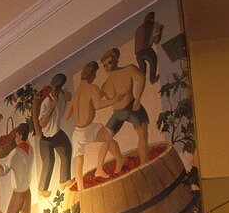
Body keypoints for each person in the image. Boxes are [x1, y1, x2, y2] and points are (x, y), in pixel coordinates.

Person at [65, 60, 119, 193]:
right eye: (95, 74)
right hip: (88, 129)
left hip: (78, 132)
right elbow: (98, 105)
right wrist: (114, 100)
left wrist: (72, 100)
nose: (95, 77)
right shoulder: (92, 87)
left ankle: (82, 189)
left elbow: (67, 116)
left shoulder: (77, 93)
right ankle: (100, 168)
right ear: (91, 75)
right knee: (108, 136)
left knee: (79, 164)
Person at [100, 47, 150, 174]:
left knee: (142, 134)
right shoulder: (105, 85)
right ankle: (119, 159)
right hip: (117, 113)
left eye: (109, 63)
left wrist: (138, 99)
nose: (107, 67)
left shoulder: (128, 70)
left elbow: (141, 79)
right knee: (105, 138)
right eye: (104, 65)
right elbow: (96, 101)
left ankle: (144, 164)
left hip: (132, 107)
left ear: (116, 60)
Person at [31, 72, 74, 197]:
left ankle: (64, 180)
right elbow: (42, 123)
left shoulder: (62, 95)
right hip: (46, 138)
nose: (55, 90)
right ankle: (42, 189)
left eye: (58, 88)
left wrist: (66, 96)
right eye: (54, 87)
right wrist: (52, 107)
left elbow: (70, 98)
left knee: (66, 151)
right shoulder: (46, 102)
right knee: (49, 162)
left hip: (57, 132)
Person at [134, 11, 164, 85]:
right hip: (147, 50)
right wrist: (161, 30)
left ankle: (141, 81)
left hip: (138, 54)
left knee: (142, 67)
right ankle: (152, 78)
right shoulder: (154, 24)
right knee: (153, 60)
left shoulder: (138, 29)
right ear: (152, 19)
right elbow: (156, 40)